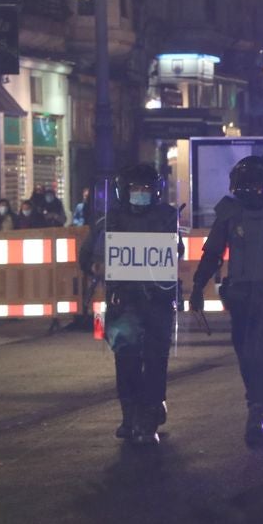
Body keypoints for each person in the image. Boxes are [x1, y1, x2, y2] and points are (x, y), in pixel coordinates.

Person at [189, 156, 263, 446]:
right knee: (247, 352)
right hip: (242, 297)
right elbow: (212, 253)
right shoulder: (230, 213)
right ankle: (256, 403)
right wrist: (198, 285)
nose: (249, 190)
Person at [78, 164, 180, 445]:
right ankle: (130, 414)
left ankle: (149, 414)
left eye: (146, 190)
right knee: (126, 361)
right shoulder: (109, 220)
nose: (140, 194)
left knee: (156, 360)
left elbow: (176, 250)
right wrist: (98, 263)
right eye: (135, 189)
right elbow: (86, 256)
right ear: (124, 191)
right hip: (123, 302)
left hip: (157, 301)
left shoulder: (167, 217)